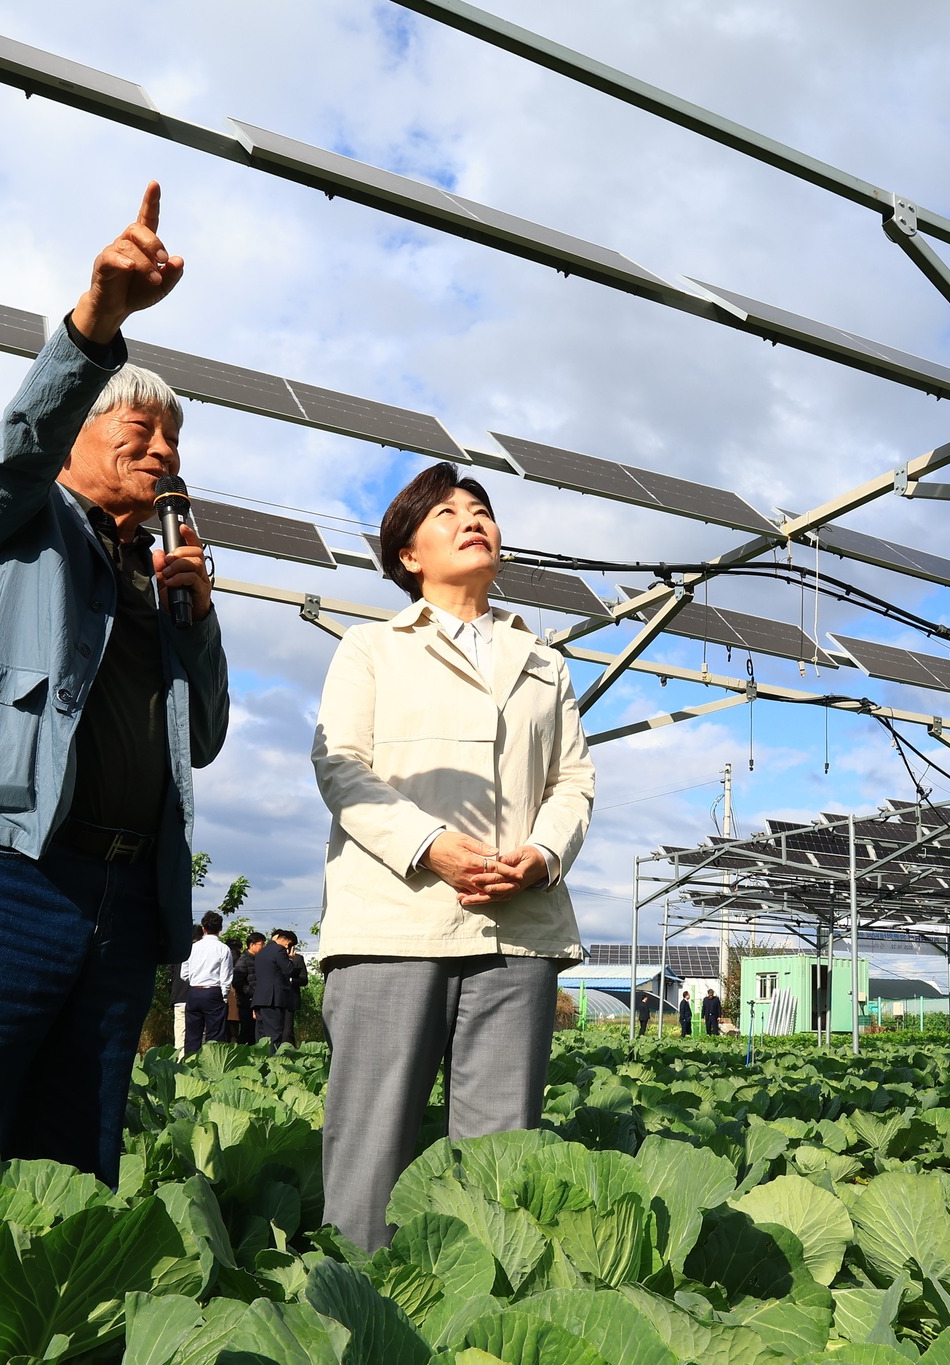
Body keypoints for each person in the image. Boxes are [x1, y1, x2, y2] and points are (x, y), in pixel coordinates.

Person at [0, 185, 230, 1188]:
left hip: (119, 897)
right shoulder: (8, 524)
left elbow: (206, 738)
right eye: (136, 433)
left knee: (66, 1173)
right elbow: (11, 450)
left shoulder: (162, 575)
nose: (161, 452)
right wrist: (96, 325)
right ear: (74, 442)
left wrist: (195, 619)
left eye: (171, 441)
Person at [312, 460, 595, 1251]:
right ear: (408, 555)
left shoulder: (545, 663)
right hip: (396, 924)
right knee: (373, 1143)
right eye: (446, 512)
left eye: (482, 510)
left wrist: (540, 854)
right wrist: (430, 846)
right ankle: (356, 1315)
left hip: (518, 931)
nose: (472, 519)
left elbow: (574, 780)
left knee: (500, 1160)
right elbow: (340, 764)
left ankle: (468, 1318)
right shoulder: (370, 648)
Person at [181, 911, 233, 1055]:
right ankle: (212, 1068)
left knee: (192, 1035)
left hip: (194, 991)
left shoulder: (192, 947)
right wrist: (223, 997)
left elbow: (183, 974)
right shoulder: (223, 948)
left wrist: (195, 981)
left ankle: (190, 1065)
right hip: (213, 991)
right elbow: (226, 977)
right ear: (220, 929)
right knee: (215, 1036)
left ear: (203, 928)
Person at [251, 928, 308, 1047]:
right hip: (273, 999)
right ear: (287, 942)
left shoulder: (261, 951)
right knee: (274, 1035)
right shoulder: (279, 950)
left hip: (259, 999)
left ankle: (260, 1062)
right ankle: (274, 1062)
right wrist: (291, 959)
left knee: (261, 1037)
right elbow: (289, 970)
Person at [169, 924, 200, 1054]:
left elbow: (170, 972)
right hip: (196, 996)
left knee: (180, 1034)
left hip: (178, 997)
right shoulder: (200, 951)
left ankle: (179, 1062)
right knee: (197, 1034)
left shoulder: (179, 950)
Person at [232, 931, 264, 1044]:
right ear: (252, 945)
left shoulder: (259, 960)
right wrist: (251, 992)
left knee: (256, 1033)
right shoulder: (243, 960)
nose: (263, 947)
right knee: (247, 1032)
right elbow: (237, 982)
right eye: (261, 944)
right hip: (246, 1003)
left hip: (256, 1002)